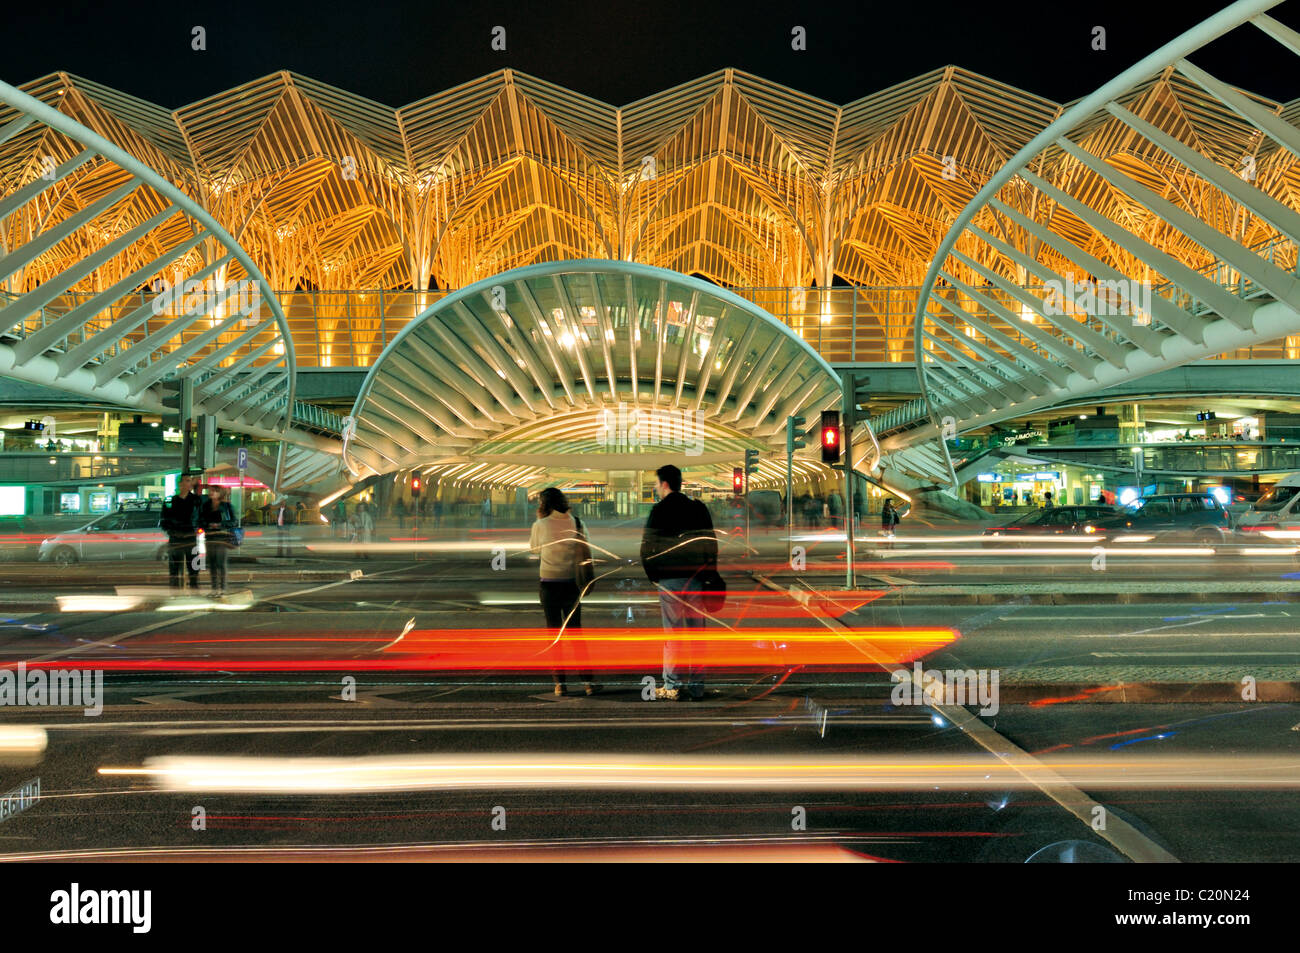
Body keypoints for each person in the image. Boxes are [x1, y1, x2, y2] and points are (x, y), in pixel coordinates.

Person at [640, 464, 718, 701]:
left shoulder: (658, 511)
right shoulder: (698, 508)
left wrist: (654, 576)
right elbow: (710, 542)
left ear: (664, 484)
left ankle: (672, 685)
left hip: (669, 580)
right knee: (697, 634)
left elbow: (647, 547)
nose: (656, 487)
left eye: (657, 483)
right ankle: (697, 687)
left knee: (672, 633)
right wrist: (709, 573)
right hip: (696, 578)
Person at [529, 487, 596, 696]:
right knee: (576, 633)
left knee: (554, 634)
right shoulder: (577, 522)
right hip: (571, 584)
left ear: (544, 505)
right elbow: (587, 550)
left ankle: (560, 684)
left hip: (549, 584)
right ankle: (588, 683)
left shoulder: (540, 525)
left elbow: (534, 549)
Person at [195, 484, 237, 597]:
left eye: (214, 491)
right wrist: (208, 524)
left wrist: (220, 524)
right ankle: (214, 589)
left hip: (222, 538)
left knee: (221, 563)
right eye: (210, 491)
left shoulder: (227, 506)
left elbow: (234, 521)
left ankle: (222, 588)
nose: (211, 493)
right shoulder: (206, 506)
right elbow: (200, 520)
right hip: (209, 537)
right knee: (212, 564)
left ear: (220, 493)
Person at [161, 474, 201, 590]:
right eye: (187, 481)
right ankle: (174, 591)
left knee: (194, 568)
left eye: (190, 481)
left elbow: (201, 518)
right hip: (176, 538)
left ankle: (194, 589)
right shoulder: (170, 501)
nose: (190, 483)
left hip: (191, 538)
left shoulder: (196, 500)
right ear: (180, 483)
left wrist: (197, 531)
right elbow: (164, 520)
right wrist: (172, 531)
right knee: (174, 569)